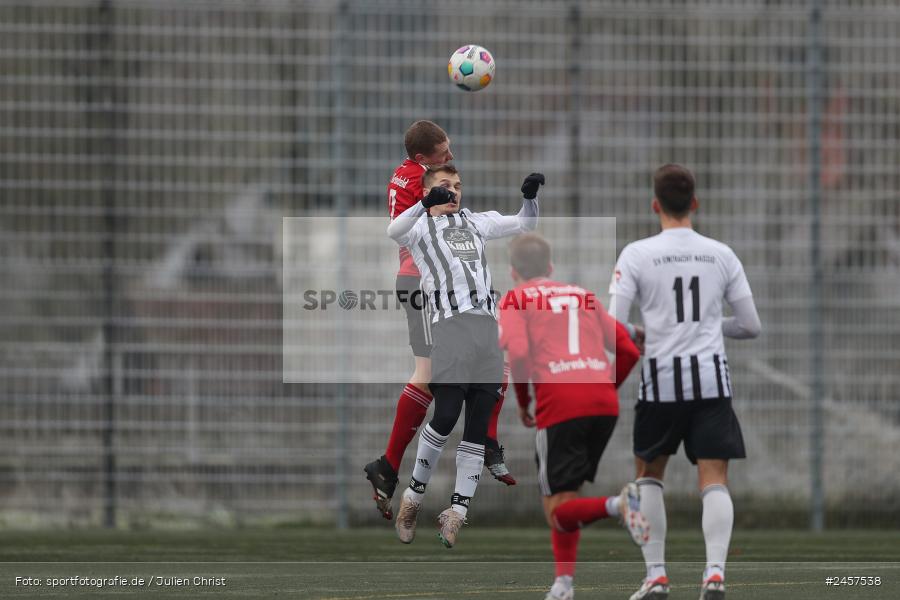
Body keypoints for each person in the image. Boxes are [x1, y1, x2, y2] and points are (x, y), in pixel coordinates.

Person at [610, 164, 761, 600]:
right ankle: (714, 575)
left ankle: (657, 576)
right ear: (694, 203)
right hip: (711, 382)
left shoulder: (637, 254)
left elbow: (614, 325)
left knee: (649, 476)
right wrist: (712, 325)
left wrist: (645, 332)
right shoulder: (721, 254)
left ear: (655, 205)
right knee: (714, 479)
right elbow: (751, 326)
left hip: (660, 383)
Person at [387, 164, 545, 547]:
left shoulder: (476, 222)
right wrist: (425, 202)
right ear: (428, 192)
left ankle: (456, 512)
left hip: (486, 329)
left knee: (477, 426)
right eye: (445, 185)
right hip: (450, 327)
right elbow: (394, 232)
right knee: (444, 416)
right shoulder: (420, 228)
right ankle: (413, 498)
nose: (453, 191)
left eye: (457, 186)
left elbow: (526, 224)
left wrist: (530, 198)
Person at [365, 121, 514, 521]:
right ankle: (394, 464)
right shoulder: (425, 182)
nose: (450, 156)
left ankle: (392, 466)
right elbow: (437, 219)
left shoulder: (407, 172)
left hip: (426, 281)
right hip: (427, 283)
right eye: (443, 152)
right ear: (422, 160)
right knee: (435, 373)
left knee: (479, 363)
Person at [498, 232, 648, 600]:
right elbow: (628, 351)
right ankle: (563, 584)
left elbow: (516, 355)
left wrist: (522, 400)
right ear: (550, 267)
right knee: (566, 498)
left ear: (513, 272)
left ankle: (619, 505)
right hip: (602, 403)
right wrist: (602, 390)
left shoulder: (515, 299)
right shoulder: (583, 295)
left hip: (561, 404)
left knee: (555, 511)